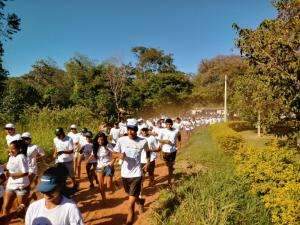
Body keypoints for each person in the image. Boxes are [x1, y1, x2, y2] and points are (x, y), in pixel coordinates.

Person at [113, 118, 150, 225]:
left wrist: (147, 162)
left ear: (136, 130)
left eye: (133, 129)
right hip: (124, 175)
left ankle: (129, 222)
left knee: (130, 204)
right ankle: (141, 201)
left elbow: (147, 151)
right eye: (129, 129)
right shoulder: (121, 140)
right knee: (131, 195)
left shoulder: (143, 141)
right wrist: (119, 155)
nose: (130, 131)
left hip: (137, 175)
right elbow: (113, 153)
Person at [2, 140, 29, 215]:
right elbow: (8, 167)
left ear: (19, 149)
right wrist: (2, 167)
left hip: (21, 186)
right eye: (9, 148)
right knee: (5, 207)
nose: (10, 150)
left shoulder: (21, 157)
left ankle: (26, 221)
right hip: (10, 185)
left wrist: (11, 175)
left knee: (21, 209)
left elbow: (25, 172)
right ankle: (5, 222)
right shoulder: (11, 157)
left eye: (13, 149)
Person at [91, 132, 115, 200]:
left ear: (104, 139)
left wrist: (112, 162)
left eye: (102, 140)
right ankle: (103, 199)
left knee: (108, 185)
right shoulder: (95, 147)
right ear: (96, 139)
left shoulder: (108, 145)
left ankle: (113, 186)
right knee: (101, 185)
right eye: (99, 140)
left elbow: (115, 154)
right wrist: (89, 163)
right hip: (99, 167)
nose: (100, 141)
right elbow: (93, 155)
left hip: (108, 166)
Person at [158, 118, 179, 186]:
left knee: (170, 166)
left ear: (172, 124)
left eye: (170, 124)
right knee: (167, 164)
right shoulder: (162, 131)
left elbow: (179, 136)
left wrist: (180, 143)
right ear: (165, 124)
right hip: (165, 151)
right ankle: (171, 167)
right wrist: (165, 141)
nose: (169, 126)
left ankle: (169, 181)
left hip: (173, 150)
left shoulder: (176, 130)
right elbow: (159, 140)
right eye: (167, 124)